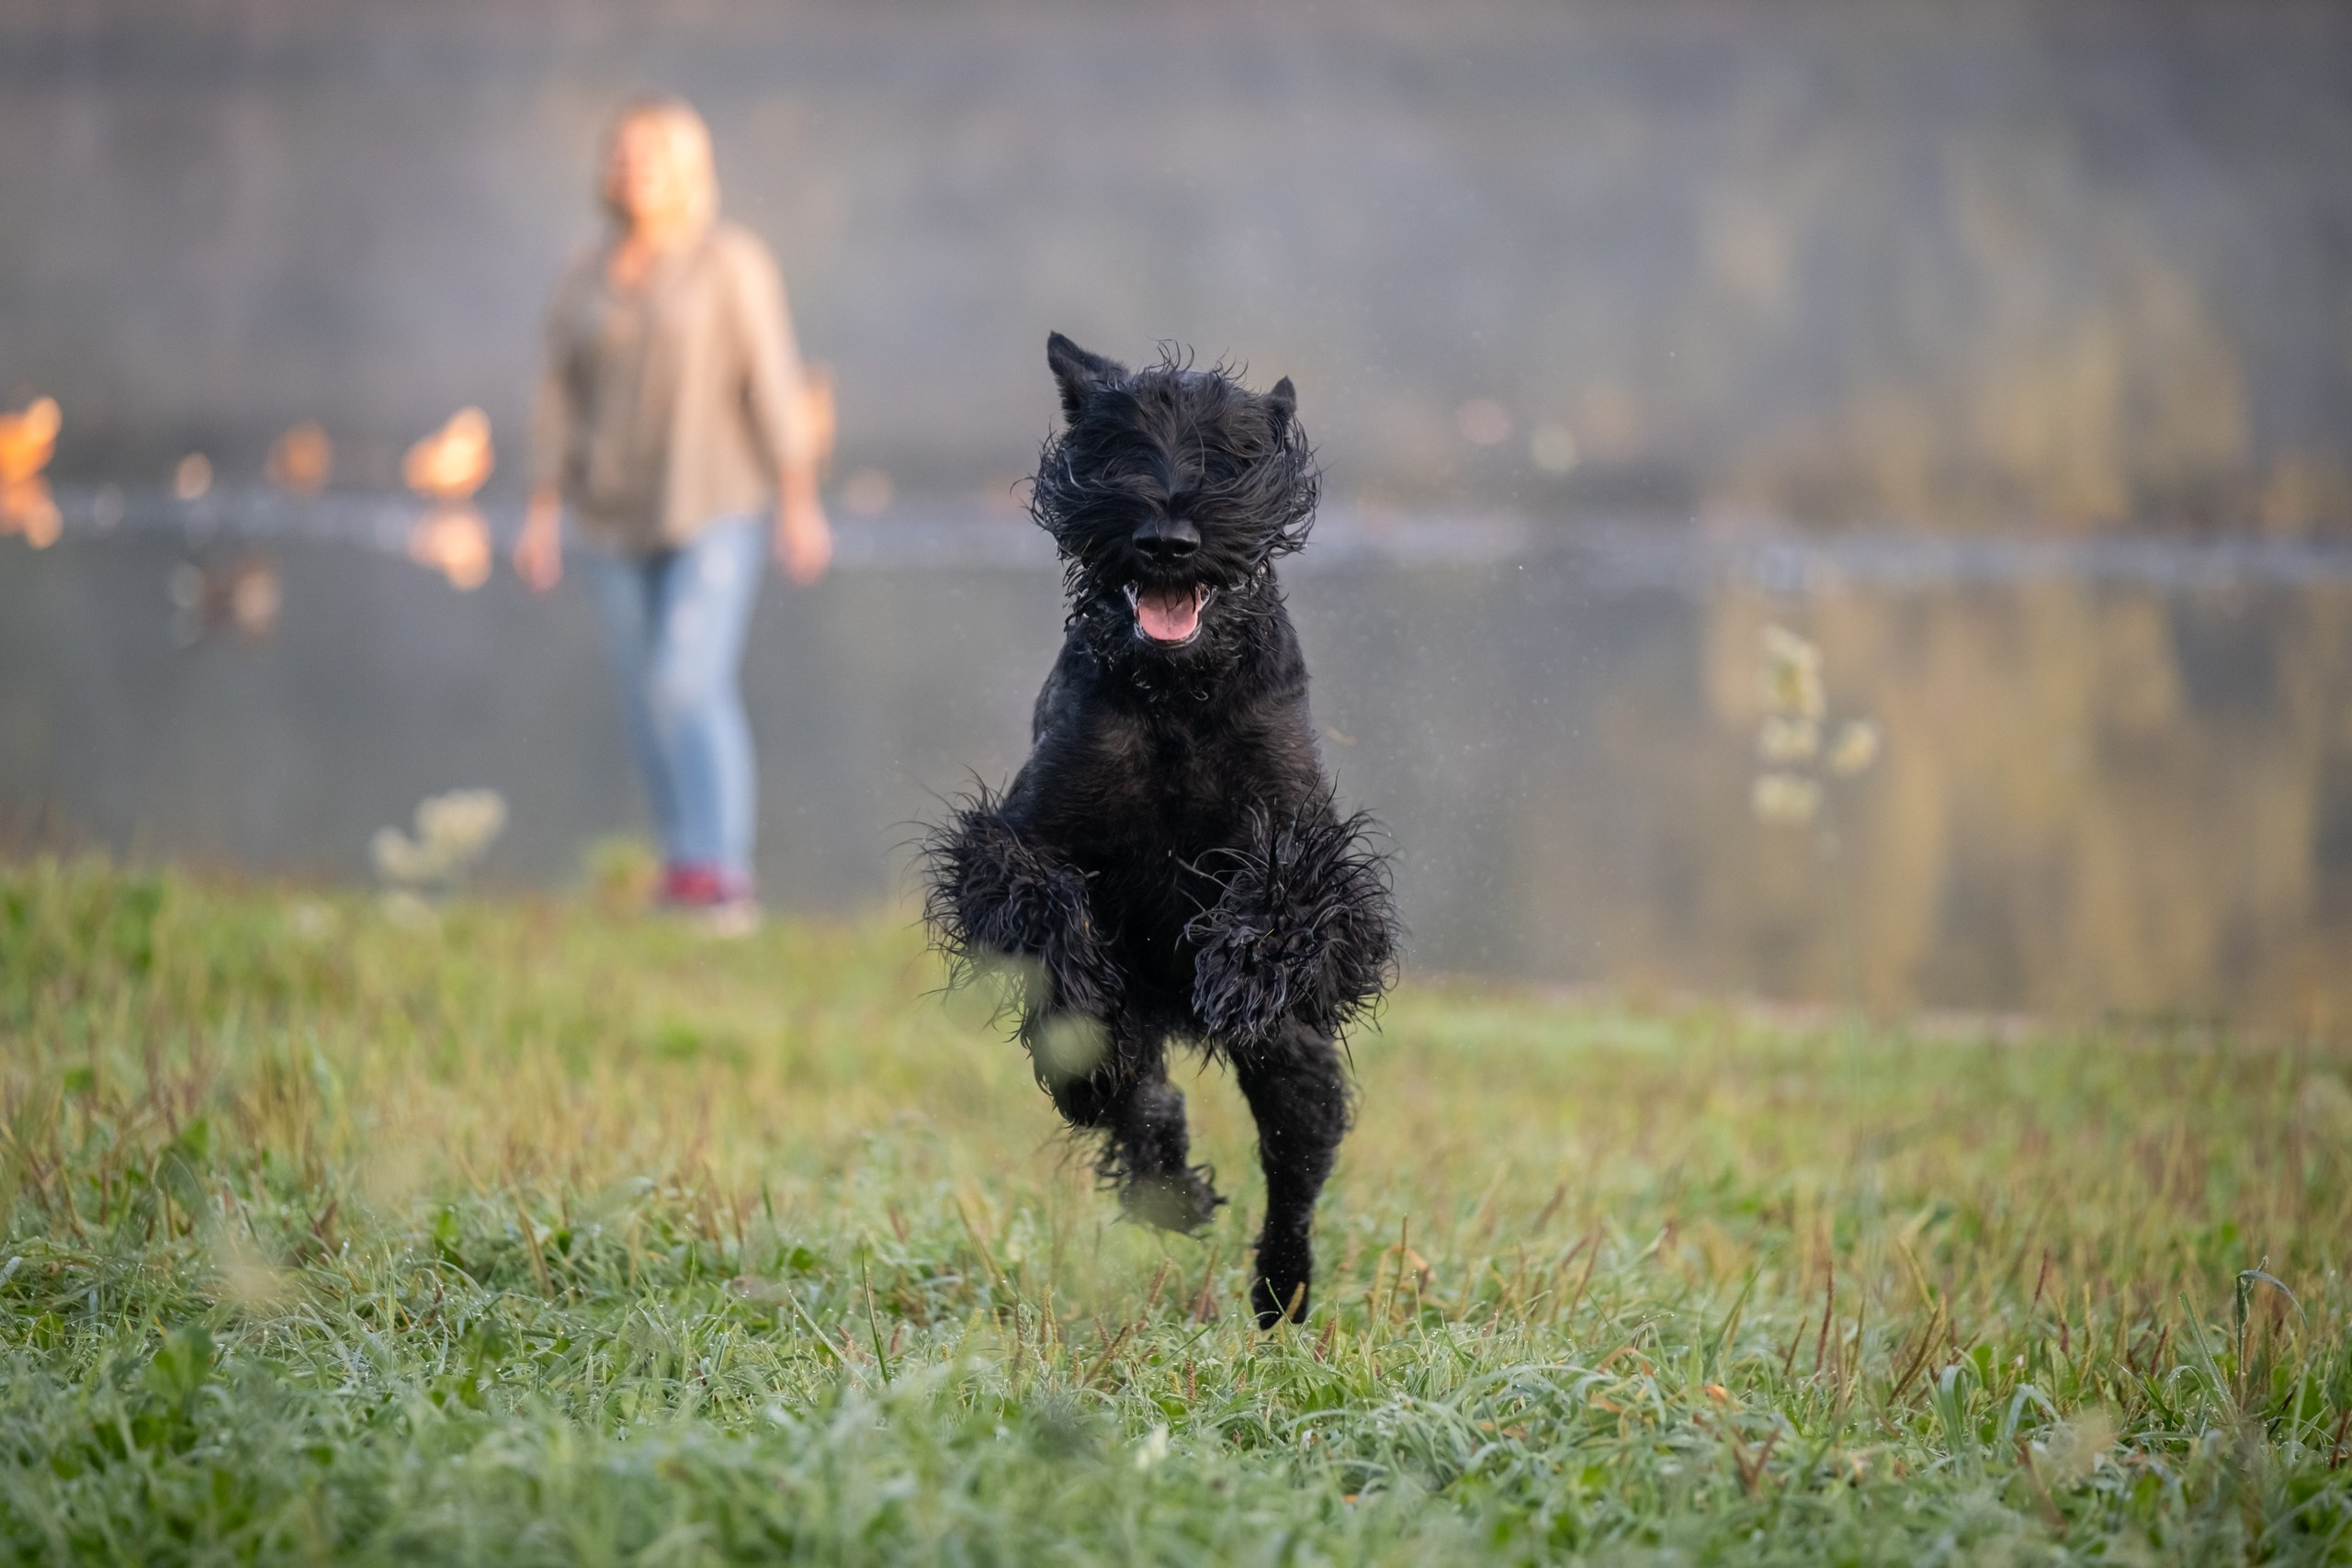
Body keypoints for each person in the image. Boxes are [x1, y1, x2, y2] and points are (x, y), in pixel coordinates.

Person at [517, 96, 831, 931]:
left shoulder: (731, 262)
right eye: (621, 153)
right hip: (607, 517)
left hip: (714, 507)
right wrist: (541, 509)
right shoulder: (584, 270)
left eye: (651, 154)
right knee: (644, 695)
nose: (632, 167)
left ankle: (723, 875)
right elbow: (555, 394)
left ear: (690, 170)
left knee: (686, 679)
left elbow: (773, 380)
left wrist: (798, 501)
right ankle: (682, 863)